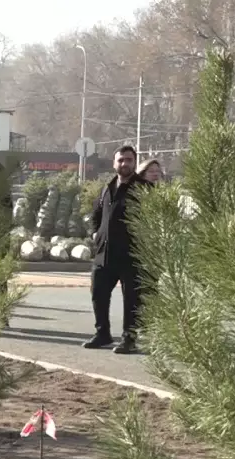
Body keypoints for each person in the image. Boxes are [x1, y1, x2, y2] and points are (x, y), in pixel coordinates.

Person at [83, 145, 150, 355]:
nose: (124, 163)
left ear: (134, 162)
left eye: (129, 160)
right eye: (120, 160)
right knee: (98, 293)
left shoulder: (144, 188)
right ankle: (102, 334)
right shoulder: (108, 187)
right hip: (105, 253)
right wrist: (95, 233)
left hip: (131, 254)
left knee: (131, 299)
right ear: (114, 163)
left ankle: (129, 339)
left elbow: (153, 218)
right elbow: (96, 213)